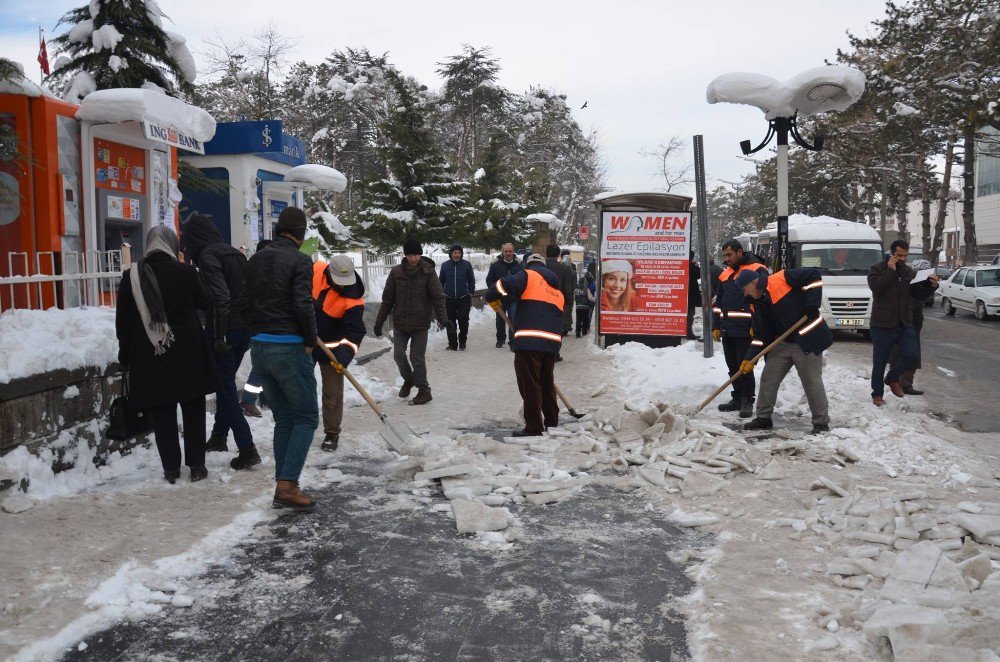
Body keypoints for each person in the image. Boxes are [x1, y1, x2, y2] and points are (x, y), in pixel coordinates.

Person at [116, 225, 220, 484]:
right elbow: (205, 301)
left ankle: (171, 469)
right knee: (193, 406)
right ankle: (197, 466)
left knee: (162, 409)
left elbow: (124, 321)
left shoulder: (132, 277)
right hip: (188, 349)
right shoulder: (186, 272)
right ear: (173, 246)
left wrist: (125, 353)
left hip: (151, 351)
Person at [241, 207, 319, 509]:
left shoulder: (256, 259)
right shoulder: (300, 260)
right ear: (300, 233)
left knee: (285, 418)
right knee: (307, 417)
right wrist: (310, 339)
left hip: (260, 348)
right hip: (288, 347)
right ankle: (288, 485)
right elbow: (303, 304)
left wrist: (257, 332)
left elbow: (244, 301)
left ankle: (283, 485)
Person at [181, 214, 260, 470]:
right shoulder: (234, 253)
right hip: (244, 328)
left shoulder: (207, 257)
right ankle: (218, 437)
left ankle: (247, 448)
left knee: (224, 387)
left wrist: (219, 334)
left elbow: (219, 297)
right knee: (225, 382)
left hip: (226, 330)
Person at [737, 267, 833, 434]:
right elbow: (760, 336)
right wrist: (749, 358)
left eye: (746, 290)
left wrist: (812, 304)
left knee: (811, 381)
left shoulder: (782, 278)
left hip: (807, 340)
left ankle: (821, 423)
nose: (746, 295)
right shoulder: (756, 305)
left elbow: (814, 275)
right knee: (768, 378)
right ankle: (763, 418)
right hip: (782, 343)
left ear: (754, 282)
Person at [483, 253, 565, 436]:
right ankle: (552, 421)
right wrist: (504, 299)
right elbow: (523, 299)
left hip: (529, 340)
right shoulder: (555, 291)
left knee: (530, 384)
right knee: (546, 382)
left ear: (529, 265)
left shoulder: (529, 274)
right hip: (551, 343)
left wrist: (492, 294)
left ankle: (534, 426)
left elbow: (504, 284)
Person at [374, 239, 449, 405]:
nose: (413, 258)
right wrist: (379, 322)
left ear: (420, 254)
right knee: (399, 355)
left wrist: (443, 319)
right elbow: (387, 300)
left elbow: (438, 297)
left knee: (416, 357)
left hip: (420, 324)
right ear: (405, 255)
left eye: (415, 255)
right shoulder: (396, 273)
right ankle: (409, 380)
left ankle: (424, 391)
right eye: (409, 255)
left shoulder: (428, 272)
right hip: (400, 323)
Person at [867, 240, 938, 406]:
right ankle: (877, 394)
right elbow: (877, 289)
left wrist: (932, 286)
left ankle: (892, 377)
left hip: (904, 322)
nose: (902, 259)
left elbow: (917, 295)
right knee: (880, 361)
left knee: (912, 355)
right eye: (899, 255)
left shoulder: (908, 272)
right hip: (882, 324)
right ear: (891, 253)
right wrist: (890, 272)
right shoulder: (877, 269)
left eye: (905, 256)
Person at [312, 255, 366, 452]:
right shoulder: (315, 270)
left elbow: (355, 332)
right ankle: (300, 426)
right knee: (301, 386)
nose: (342, 286)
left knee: (333, 394)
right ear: (329, 273)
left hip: (332, 349)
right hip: (306, 342)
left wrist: (343, 356)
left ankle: (331, 433)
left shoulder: (354, 300)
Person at [713, 239, 769, 418]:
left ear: (739, 252)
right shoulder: (725, 273)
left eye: (729, 255)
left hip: (746, 329)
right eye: (724, 256)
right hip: (728, 328)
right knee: (732, 365)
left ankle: (747, 400)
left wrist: (757, 325)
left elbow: (761, 299)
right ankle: (736, 397)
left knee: (744, 366)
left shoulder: (756, 268)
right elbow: (718, 302)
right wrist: (716, 325)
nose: (727, 259)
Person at [887, 259, 937, 395]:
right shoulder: (905, 279)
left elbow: (922, 297)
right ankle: (895, 380)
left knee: (913, 353)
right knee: (899, 352)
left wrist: (933, 285)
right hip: (901, 320)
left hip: (914, 321)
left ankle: (906, 384)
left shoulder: (922, 282)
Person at [239, 240, 272, 418]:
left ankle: (266, 398)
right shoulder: (256, 271)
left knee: (268, 362)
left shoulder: (264, 269)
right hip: (257, 322)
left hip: (262, 321)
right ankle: (248, 400)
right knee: (262, 362)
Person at [439, 244, 477, 350]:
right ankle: (452, 344)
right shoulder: (445, 265)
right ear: (451, 254)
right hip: (449, 297)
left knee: (463, 320)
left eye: (459, 253)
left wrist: (470, 292)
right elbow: (441, 280)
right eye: (455, 252)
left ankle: (462, 341)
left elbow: (471, 280)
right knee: (450, 322)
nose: (457, 255)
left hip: (464, 297)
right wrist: (441, 293)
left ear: (461, 254)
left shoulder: (466, 265)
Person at [485, 243, 522, 349]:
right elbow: (489, 280)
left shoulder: (519, 264)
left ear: (513, 251)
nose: (508, 253)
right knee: (500, 320)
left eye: (510, 251)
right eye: (506, 251)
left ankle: (513, 341)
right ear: (503, 252)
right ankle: (500, 339)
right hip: (499, 297)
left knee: (513, 318)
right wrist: (494, 291)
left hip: (513, 298)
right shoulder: (496, 265)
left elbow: (523, 279)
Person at [545, 244, 575, 337]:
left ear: (546, 254)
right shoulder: (565, 269)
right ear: (558, 255)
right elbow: (567, 289)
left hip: (542, 302)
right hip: (558, 303)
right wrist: (569, 303)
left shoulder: (541, 266)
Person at [574, 271, 596, 337]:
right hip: (586, 307)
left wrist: (577, 303)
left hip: (578, 307)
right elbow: (590, 298)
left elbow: (574, 297)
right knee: (585, 320)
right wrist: (595, 299)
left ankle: (577, 332)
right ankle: (584, 332)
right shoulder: (586, 289)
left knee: (578, 320)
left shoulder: (576, 289)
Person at [687, 250, 703, 340]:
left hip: (684, 294)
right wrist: (697, 266)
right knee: (690, 314)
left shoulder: (682, 264)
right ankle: (689, 332)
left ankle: (683, 331)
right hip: (691, 295)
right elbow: (698, 275)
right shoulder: (691, 265)